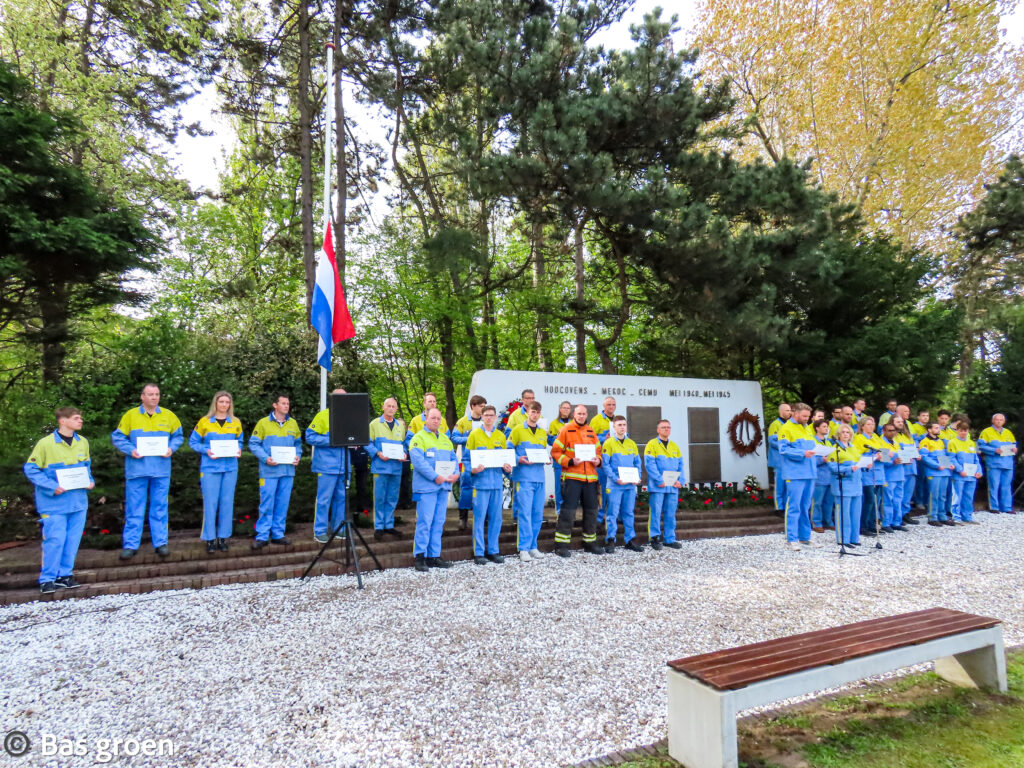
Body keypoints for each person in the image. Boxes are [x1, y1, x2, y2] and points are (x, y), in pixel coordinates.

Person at [24, 407, 95, 594]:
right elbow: (31, 469)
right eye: (76, 418)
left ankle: (65, 576)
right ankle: (47, 579)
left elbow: (86, 467)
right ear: (63, 421)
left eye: (80, 418)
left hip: (78, 502)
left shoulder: (83, 442)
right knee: (55, 540)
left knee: (72, 541)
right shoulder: (45, 444)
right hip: (53, 504)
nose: (80, 421)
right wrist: (51, 486)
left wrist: (90, 481)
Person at [111, 383, 184, 559]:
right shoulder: (130, 415)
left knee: (160, 507)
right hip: (137, 470)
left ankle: (160, 543)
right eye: (150, 394)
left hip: (161, 470)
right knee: (134, 508)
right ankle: (130, 545)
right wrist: (131, 450)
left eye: (157, 394)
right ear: (142, 396)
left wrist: (171, 448)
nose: (154, 397)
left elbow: (178, 436)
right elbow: (118, 437)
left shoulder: (169, 416)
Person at [188, 391, 243, 554]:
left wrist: (239, 449)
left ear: (230, 404)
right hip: (210, 468)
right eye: (221, 402)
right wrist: (207, 450)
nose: (224, 405)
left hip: (230, 468)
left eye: (227, 402)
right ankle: (210, 539)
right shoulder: (204, 421)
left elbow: (240, 441)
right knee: (210, 504)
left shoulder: (235, 422)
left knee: (227, 503)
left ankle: (223, 538)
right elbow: (193, 442)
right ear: (215, 403)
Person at [249, 394, 302, 549]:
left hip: (287, 471)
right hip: (269, 471)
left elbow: (298, 444)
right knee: (266, 504)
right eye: (283, 403)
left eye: (288, 403)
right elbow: (253, 444)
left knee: (282, 504)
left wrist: (298, 456)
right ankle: (262, 536)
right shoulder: (263, 423)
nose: (286, 406)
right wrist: (265, 458)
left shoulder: (293, 423)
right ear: (275, 405)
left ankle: (278, 534)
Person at [409, 408, 459, 571]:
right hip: (426, 488)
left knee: (438, 522)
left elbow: (453, 459)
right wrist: (435, 477)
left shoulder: (445, 439)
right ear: (426, 419)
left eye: (438, 418)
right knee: (425, 522)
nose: (436, 421)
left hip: (442, 488)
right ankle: (420, 556)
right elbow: (418, 462)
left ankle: (434, 556)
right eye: (433, 418)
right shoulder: (418, 438)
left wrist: (456, 474)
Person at [550, 404, 603, 556]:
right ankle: (561, 545)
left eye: (584, 414)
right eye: (579, 413)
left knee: (591, 511)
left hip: (590, 479)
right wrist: (570, 461)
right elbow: (555, 452)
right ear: (574, 414)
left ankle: (589, 542)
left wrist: (598, 460)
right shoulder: (565, 430)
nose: (581, 416)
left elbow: (598, 451)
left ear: (587, 415)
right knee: (568, 512)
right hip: (572, 477)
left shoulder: (591, 431)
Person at [305, 388, 355, 545]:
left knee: (341, 498)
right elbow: (309, 436)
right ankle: (320, 531)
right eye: (339, 398)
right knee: (323, 499)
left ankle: (338, 529)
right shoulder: (322, 416)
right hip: (326, 466)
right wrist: (332, 441)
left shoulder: (349, 417)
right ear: (333, 399)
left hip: (344, 466)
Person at [466, 405, 513, 565]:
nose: (489, 418)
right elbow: (466, 460)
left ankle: (493, 550)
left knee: (496, 519)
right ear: (482, 417)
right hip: (480, 484)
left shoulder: (500, 436)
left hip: (496, 484)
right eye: (486, 415)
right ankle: (479, 552)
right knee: (479, 519)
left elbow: (504, 461)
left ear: (495, 417)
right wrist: (472, 470)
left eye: (491, 415)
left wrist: (507, 468)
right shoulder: (474, 435)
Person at [509, 401, 548, 561]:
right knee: (524, 513)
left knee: (537, 514)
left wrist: (547, 458)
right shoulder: (518, 430)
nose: (535, 415)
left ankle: (533, 546)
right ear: (527, 412)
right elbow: (508, 449)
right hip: (524, 478)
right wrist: (519, 459)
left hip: (539, 477)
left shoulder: (542, 433)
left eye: (538, 412)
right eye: (533, 411)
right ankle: (523, 548)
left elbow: (542, 451)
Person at [778, 402, 816, 551]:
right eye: (804, 416)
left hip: (809, 472)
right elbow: (783, 449)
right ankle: (791, 538)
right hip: (795, 473)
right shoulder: (786, 428)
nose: (807, 419)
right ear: (795, 413)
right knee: (794, 506)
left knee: (805, 506)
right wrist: (802, 453)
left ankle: (805, 537)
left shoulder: (807, 428)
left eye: (808, 416)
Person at [603, 415, 643, 553]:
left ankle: (630, 540)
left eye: (624, 425)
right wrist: (615, 479)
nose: (622, 427)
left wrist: (638, 477)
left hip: (630, 485)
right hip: (615, 485)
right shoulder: (608, 443)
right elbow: (606, 465)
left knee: (628, 513)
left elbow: (637, 463)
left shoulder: (632, 443)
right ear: (614, 427)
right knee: (612, 513)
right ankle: (610, 540)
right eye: (619, 425)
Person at [369, 397, 407, 540]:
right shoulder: (374, 424)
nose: (391, 408)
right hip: (380, 467)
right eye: (388, 406)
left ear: (396, 409)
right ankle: (379, 526)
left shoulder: (400, 425)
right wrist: (378, 453)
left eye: (393, 406)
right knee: (379, 497)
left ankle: (389, 525)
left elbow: (404, 444)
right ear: (383, 407)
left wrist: (404, 453)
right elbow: (367, 443)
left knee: (392, 497)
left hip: (395, 468)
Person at [644, 419, 685, 551]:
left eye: (668, 427)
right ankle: (654, 537)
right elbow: (649, 464)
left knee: (670, 513)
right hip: (658, 486)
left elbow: (681, 465)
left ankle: (669, 539)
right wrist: (658, 480)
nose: (666, 429)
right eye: (663, 427)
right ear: (658, 430)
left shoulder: (675, 446)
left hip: (672, 486)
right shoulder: (652, 444)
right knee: (655, 512)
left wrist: (681, 480)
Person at [452, 395, 486, 530]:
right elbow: (454, 438)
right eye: (481, 406)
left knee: (483, 488)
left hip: (483, 459)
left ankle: (484, 518)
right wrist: (469, 438)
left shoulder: (485, 420)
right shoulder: (463, 421)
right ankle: (463, 519)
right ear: (473, 406)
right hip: (467, 460)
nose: (483, 409)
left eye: (484, 406)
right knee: (466, 489)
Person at [827, 424, 863, 548]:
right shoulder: (835, 449)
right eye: (843, 432)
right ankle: (843, 538)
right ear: (838, 434)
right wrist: (849, 469)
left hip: (856, 484)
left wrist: (865, 465)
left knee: (855, 513)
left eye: (848, 432)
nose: (846, 434)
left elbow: (859, 461)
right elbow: (832, 467)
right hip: (843, 484)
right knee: (843, 513)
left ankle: (854, 537)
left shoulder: (854, 448)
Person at [978, 413, 1017, 514]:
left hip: (1007, 463)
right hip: (994, 463)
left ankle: (1007, 507)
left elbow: (1014, 444)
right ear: (993, 421)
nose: (999, 421)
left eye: (1001, 420)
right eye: (997, 419)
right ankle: (994, 507)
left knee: (1006, 486)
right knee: (994, 485)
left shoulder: (1008, 432)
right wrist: (994, 450)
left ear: (1004, 421)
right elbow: (981, 446)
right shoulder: (986, 432)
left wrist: (1015, 449)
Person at [853, 416, 885, 536]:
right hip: (867, 473)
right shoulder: (859, 438)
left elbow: (885, 453)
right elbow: (857, 456)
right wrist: (874, 456)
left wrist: (884, 456)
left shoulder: (876, 438)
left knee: (877, 500)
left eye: (872, 424)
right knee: (869, 500)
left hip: (879, 473)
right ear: (862, 426)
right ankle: (864, 525)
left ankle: (872, 524)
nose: (871, 427)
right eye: (868, 424)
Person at [919, 422, 955, 527]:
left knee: (942, 495)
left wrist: (949, 464)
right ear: (929, 430)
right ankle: (932, 517)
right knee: (933, 495)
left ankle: (942, 515)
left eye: (938, 428)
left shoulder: (941, 441)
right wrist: (936, 466)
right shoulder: (925, 441)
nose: (938, 429)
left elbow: (944, 456)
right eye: (935, 428)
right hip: (933, 472)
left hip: (944, 471)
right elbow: (924, 457)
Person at [948, 419, 983, 525]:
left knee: (968, 496)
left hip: (971, 476)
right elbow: (951, 458)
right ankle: (956, 517)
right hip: (959, 475)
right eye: (961, 430)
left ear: (968, 431)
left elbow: (976, 459)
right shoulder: (952, 442)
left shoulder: (971, 443)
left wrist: (979, 471)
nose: (963, 432)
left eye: (965, 430)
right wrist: (960, 470)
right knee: (957, 496)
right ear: (957, 430)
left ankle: (967, 516)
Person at [589, 396, 618, 522]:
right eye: (608, 404)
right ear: (604, 406)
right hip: (601, 460)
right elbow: (590, 437)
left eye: (613, 404)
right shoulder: (596, 420)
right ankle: (599, 518)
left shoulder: (618, 420)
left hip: (614, 460)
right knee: (601, 489)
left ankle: (613, 516)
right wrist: (603, 438)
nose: (611, 407)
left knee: (614, 490)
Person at [878, 421, 906, 533]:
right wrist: (893, 462)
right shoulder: (882, 443)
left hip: (900, 474)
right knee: (887, 500)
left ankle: (897, 522)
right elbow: (884, 461)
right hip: (888, 475)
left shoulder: (897, 442)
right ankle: (886, 522)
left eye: (894, 430)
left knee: (898, 499)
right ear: (884, 431)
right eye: (889, 431)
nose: (892, 433)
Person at [547, 400, 573, 516]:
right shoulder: (554, 423)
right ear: (560, 409)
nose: (566, 410)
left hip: (572, 460)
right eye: (564, 408)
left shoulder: (574, 423)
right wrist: (558, 438)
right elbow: (549, 441)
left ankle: (570, 510)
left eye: (568, 408)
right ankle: (559, 510)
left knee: (571, 486)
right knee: (559, 486)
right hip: (558, 460)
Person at [893, 415, 919, 525]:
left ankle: (905, 513)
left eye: (901, 422)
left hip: (911, 468)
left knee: (908, 494)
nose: (900, 423)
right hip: (900, 468)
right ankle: (897, 516)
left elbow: (914, 448)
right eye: (897, 421)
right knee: (898, 495)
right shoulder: (892, 436)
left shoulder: (907, 435)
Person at [766, 403, 792, 515]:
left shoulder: (790, 424)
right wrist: (787, 447)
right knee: (779, 485)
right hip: (778, 461)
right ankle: (778, 508)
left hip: (787, 460)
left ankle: (786, 506)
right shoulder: (775, 424)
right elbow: (772, 442)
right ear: (781, 412)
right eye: (787, 410)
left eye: (790, 410)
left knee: (787, 485)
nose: (790, 412)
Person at [810, 419, 834, 533]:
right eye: (824, 426)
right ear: (817, 428)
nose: (826, 428)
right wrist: (822, 460)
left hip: (829, 476)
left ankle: (828, 521)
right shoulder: (812, 441)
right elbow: (810, 459)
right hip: (819, 476)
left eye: (827, 426)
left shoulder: (829, 442)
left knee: (829, 502)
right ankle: (816, 522)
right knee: (817, 502)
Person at [910, 408, 931, 511]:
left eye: (927, 416)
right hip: (919, 455)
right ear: (918, 417)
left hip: (929, 455)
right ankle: (918, 501)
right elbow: (914, 439)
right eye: (923, 416)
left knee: (928, 479)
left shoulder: (930, 426)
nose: (925, 418)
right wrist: (925, 435)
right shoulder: (914, 426)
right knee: (920, 479)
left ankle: (926, 501)